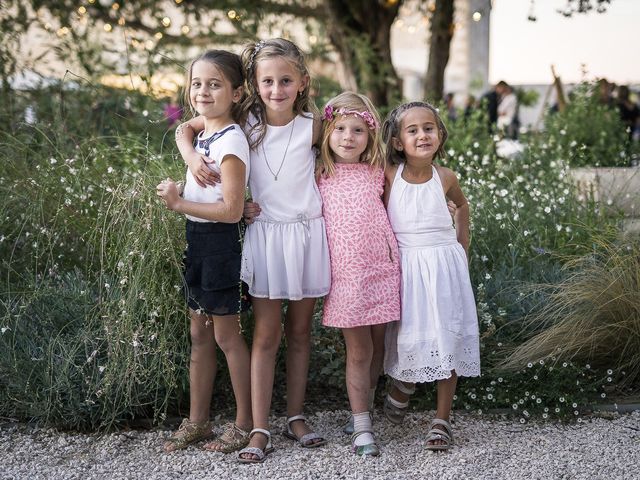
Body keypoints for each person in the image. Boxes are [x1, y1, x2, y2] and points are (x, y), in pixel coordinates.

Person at [176, 38, 330, 464]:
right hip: (266, 236)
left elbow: (359, 148)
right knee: (266, 334)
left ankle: (295, 415)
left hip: (306, 236)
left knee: (301, 333)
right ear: (254, 85)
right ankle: (258, 426)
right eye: (267, 81)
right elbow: (187, 126)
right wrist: (191, 159)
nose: (276, 89)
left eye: (285, 80)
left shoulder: (316, 125)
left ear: (302, 82)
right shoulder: (247, 123)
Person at [156, 50, 253, 454]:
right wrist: (190, 153)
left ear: (236, 92)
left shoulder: (231, 140)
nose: (203, 91)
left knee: (227, 336)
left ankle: (246, 422)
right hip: (196, 239)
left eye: (214, 84)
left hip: (219, 245)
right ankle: (198, 421)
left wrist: (178, 204)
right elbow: (183, 129)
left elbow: (231, 211)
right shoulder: (205, 132)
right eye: (196, 83)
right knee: (199, 333)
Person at [381, 101, 481, 451]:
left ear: (440, 134)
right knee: (408, 336)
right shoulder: (390, 176)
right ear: (397, 142)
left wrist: (462, 244)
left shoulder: (446, 177)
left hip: (443, 267)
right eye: (413, 130)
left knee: (445, 338)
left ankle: (442, 419)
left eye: (429, 128)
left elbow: (463, 205)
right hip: (407, 267)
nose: (423, 135)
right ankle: (403, 386)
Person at [317, 92, 401, 457]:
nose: (348, 137)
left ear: (370, 136)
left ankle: (360, 410)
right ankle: (363, 427)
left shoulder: (377, 173)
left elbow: (398, 208)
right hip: (346, 275)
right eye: (340, 129)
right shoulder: (320, 173)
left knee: (379, 344)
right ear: (327, 132)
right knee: (360, 349)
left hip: (381, 268)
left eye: (357, 130)